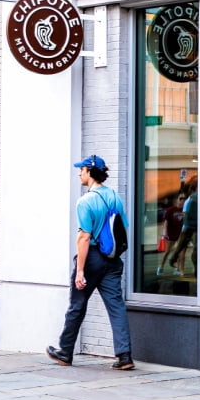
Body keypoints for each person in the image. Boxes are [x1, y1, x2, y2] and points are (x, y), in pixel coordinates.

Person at [46, 154, 135, 371]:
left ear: (90, 172)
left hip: (92, 257)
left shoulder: (85, 201)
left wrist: (80, 271)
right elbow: (124, 226)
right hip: (112, 260)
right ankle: (125, 356)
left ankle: (65, 352)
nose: (79, 173)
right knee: (116, 307)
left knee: (77, 305)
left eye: (82, 170)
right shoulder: (115, 197)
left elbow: (84, 237)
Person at [158, 192, 186, 275]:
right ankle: (161, 267)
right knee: (167, 251)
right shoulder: (171, 210)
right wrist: (165, 232)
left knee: (180, 252)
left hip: (180, 234)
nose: (182, 201)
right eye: (180, 198)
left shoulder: (184, 210)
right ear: (176, 200)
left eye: (184, 199)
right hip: (171, 234)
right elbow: (166, 221)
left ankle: (178, 269)